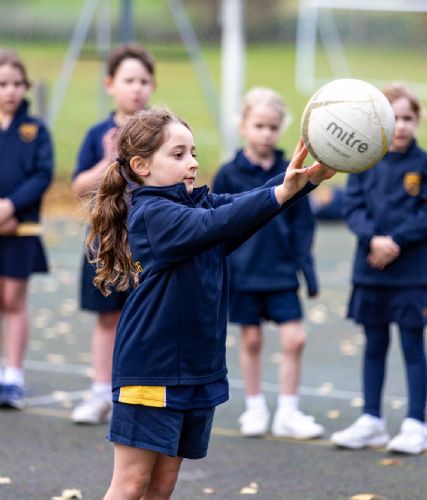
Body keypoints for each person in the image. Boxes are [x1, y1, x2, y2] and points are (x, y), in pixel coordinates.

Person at [86, 107, 334, 499]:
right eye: (179, 154)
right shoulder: (152, 213)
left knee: (161, 487)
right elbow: (219, 223)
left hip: (197, 368)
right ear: (141, 165)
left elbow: (239, 210)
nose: (193, 163)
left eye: (194, 152)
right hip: (153, 369)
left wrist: (300, 184)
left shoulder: (194, 204)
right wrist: (284, 191)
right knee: (131, 485)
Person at [330, 82, 427, 454]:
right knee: (374, 344)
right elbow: (353, 207)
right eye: (394, 118)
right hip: (371, 271)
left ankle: (416, 424)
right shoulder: (363, 162)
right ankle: (372, 420)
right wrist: (373, 239)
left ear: (418, 121)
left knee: (412, 345)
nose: (401, 126)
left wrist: (393, 241)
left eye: (408, 118)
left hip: (413, 274)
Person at [212, 87, 324, 440]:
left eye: (273, 127)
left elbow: (303, 223)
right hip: (244, 275)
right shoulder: (229, 173)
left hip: (280, 272)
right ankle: (255, 406)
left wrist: (306, 268)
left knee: (295, 339)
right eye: (258, 125)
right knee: (252, 340)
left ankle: (288, 411)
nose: (265, 133)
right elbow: (220, 220)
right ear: (243, 125)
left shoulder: (292, 170)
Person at [71, 44, 156, 424]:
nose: (136, 88)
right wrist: (108, 161)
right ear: (110, 84)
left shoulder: (160, 134)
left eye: (143, 81)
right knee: (107, 319)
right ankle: (99, 393)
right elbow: (78, 187)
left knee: (145, 318)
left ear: (152, 86)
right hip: (105, 241)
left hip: (148, 243)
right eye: (128, 80)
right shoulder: (98, 134)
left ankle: (137, 394)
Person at [0, 49, 53, 409]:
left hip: (21, 229)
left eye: (18, 84)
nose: (11, 91)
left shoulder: (36, 131)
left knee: (14, 301)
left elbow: (41, 174)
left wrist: (9, 207)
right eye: (3, 83)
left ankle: (14, 377)